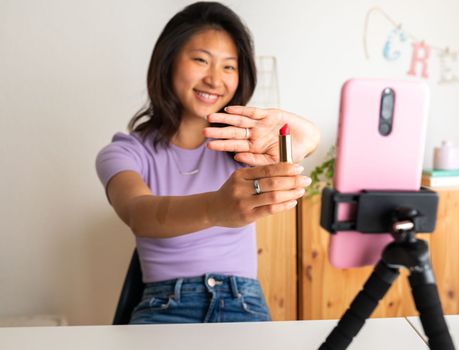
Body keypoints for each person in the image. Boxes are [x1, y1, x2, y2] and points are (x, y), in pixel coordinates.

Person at [96, 1, 320, 324]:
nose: (215, 80)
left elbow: (297, 155)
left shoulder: (248, 146)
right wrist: (215, 207)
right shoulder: (126, 152)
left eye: (229, 67)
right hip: (164, 305)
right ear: (168, 62)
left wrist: (309, 138)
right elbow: (138, 213)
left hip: (242, 301)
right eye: (201, 60)